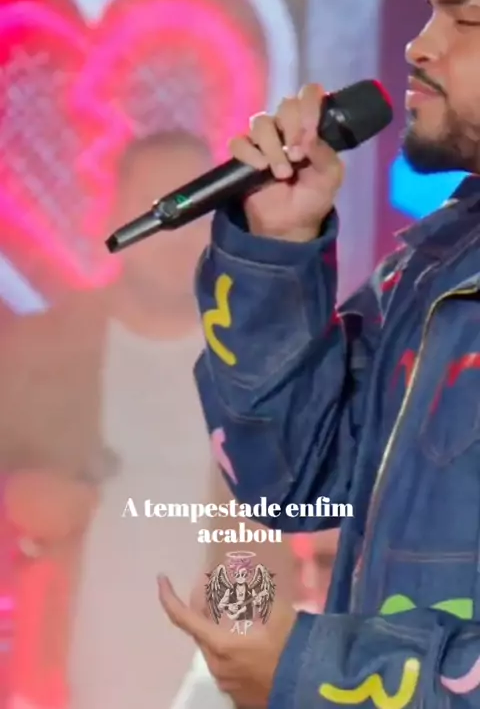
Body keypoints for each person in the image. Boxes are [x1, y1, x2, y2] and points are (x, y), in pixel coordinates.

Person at [159, 0, 480, 708]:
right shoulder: (432, 267)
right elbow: (289, 483)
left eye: (465, 20)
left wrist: (315, 677)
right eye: (427, 13)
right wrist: (277, 246)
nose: (418, 46)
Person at [0, 128, 301, 709]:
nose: (177, 231)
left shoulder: (264, 363)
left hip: (218, 685)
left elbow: (278, 532)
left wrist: (246, 666)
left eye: (197, 207)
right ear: (114, 215)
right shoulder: (39, 352)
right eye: (158, 206)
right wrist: (18, 502)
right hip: (67, 681)